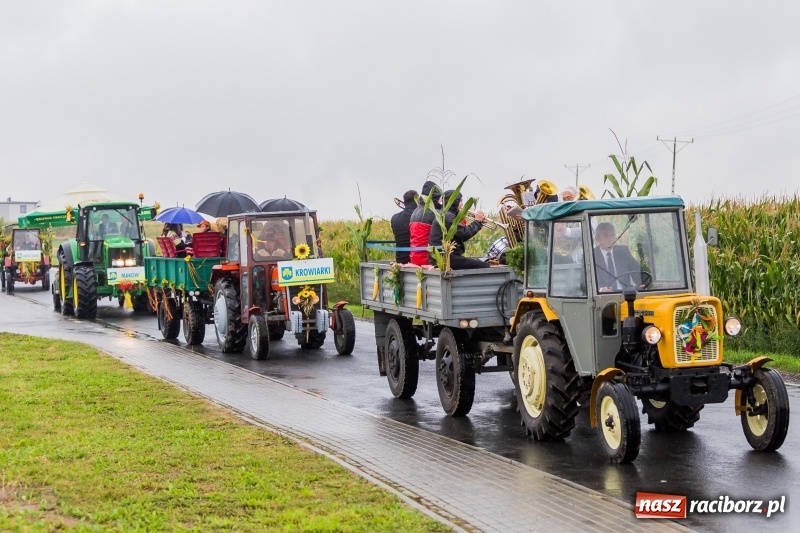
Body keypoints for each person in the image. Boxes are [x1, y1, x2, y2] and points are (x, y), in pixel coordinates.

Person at [428, 190, 486, 270]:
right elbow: (465, 233)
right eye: (460, 201)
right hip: (446, 258)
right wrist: (477, 222)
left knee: (479, 262)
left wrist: (479, 224)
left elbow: (461, 236)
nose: (462, 204)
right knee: (485, 266)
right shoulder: (448, 217)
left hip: (445, 257)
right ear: (455, 202)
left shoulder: (445, 214)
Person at [593, 222, 642, 292]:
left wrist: (641, 284)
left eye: (612, 235)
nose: (610, 238)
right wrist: (601, 290)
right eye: (605, 235)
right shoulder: (592, 256)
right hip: (603, 298)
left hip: (626, 295)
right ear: (597, 238)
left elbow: (637, 272)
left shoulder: (623, 252)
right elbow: (584, 284)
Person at [408, 181, 442, 266]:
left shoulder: (415, 212)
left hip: (414, 259)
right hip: (428, 261)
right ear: (436, 196)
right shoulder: (435, 213)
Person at [390, 189, 417, 264]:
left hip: (400, 260)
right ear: (417, 200)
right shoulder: (419, 217)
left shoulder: (394, 218)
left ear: (404, 202)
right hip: (415, 261)